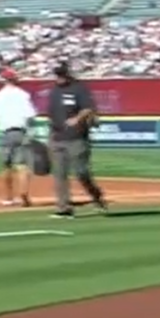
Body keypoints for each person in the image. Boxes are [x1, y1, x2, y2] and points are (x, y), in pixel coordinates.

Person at [44, 62, 107, 218]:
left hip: (77, 138)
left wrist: (77, 119)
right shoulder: (54, 91)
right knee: (59, 174)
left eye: (62, 74)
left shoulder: (79, 89)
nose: (59, 78)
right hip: (57, 137)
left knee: (81, 172)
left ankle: (97, 197)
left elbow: (88, 108)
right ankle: (64, 207)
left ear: (68, 74)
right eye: (57, 75)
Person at [0, 67, 38, 206]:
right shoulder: (23, 94)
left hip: (5, 131)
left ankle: (8, 197)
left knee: (6, 166)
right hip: (20, 131)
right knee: (22, 165)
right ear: (15, 80)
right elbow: (31, 114)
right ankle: (24, 194)